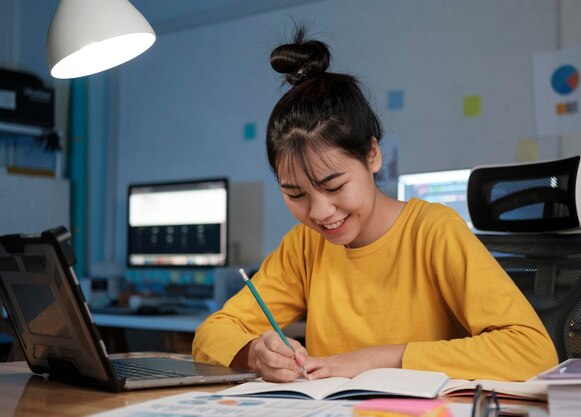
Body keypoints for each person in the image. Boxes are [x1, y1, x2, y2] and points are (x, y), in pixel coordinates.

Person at [192, 26, 558, 383]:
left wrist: (380, 359)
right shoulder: (305, 247)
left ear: (372, 155)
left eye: (333, 185)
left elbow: (532, 352)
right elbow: (212, 333)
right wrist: (256, 351)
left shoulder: (433, 231)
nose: (319, 212)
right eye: (295, 194)